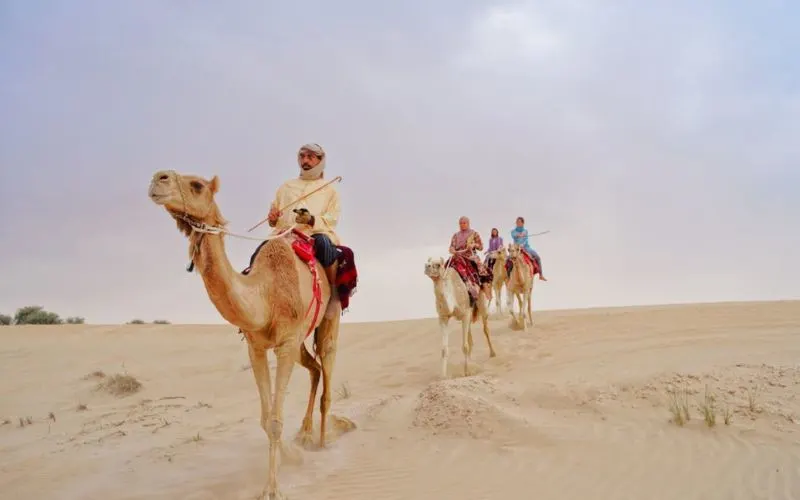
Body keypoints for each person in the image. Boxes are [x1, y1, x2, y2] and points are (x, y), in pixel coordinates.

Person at [266, 143, 341, 289]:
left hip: (314, 234)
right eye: (302, 156)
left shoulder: (329, 190)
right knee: (260, 251)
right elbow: (274, 215)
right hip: (285, 234)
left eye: (310, 157)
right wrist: (273, 218)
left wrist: (311, 219)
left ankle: (332, 292)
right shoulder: (286, 187)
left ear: (320, 161)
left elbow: (332, 219)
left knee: (324, 246)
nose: (305, 160)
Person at [448, 216, 490, 299]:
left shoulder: (474, 234)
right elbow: (451, 247)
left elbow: (481, 247)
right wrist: (452, 250)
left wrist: (474, 245)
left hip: (470, 255)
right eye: (460, 223)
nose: (462, 225)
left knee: (480, 267)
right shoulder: (455, 235)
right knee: (447, 266)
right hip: (458, 255)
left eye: (464, 223)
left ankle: (486, 289)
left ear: (468, 223)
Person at [508, 216, 547, 281]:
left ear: (523, 223)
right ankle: (508, 276)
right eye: (517, 222)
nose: (518, 223)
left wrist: (522, 245)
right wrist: (518, 235)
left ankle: (541, 275)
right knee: (508, 259)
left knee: (537, 257)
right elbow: (513, 235)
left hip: (526, 247)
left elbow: (525, 240)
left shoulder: (525, 231)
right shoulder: (513, 231)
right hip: (516, 249)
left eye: (519, 222)